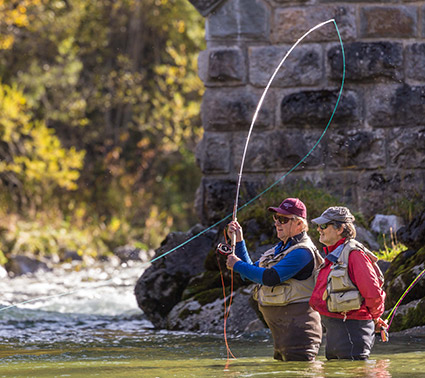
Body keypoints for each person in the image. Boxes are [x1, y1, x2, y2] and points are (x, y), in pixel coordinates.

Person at [226, 198, 324, 361]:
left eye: (284, 219)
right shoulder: (278, 250)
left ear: (299, 224)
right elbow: (249, 273)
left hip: (300, 335)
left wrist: (237, 265)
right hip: (282, 337)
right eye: (276, 218)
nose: (278, 223)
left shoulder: (302, 252)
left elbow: (271, 278)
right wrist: (238, 240)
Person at [309, 206, 387, 360]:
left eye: (324, 225)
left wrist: (376, 317)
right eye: (319, 225)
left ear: (340, 229)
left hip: (353, 330)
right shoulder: (334, 254)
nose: (319, 229)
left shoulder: (354, 254)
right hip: (336, 331)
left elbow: (373, 293)